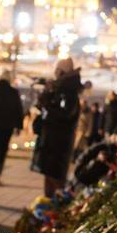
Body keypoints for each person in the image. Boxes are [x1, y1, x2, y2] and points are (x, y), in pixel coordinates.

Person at [31, 56, 82, 198]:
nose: (55, 73)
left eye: (57, 70)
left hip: (58, 142)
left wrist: (46, 105)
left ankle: (57, 205)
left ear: (62, 72)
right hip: (53, 139)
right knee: (49, 174)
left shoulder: (68, 92)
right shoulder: (61, 89)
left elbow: (65, 114)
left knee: (55, 177)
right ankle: (48, 204)